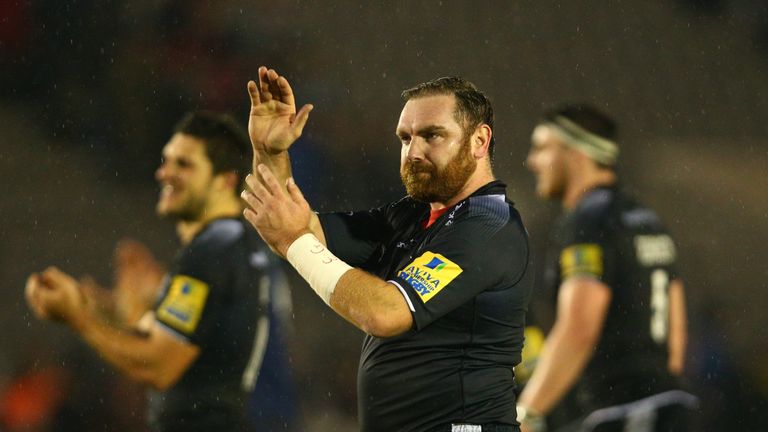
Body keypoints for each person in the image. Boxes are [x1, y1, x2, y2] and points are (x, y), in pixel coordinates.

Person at [240, 66, 534, 432]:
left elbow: (385, 313)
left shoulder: (488, 225)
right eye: (405, 138)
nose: (413, 152)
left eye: (432, 136)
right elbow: (298, 226)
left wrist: (293, 240)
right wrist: (270, 151)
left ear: (479, 141)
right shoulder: (413, 215)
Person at [25, 111, 296, 432]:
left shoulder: (209, 252)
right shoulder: (239, 243)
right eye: (166, 161)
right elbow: (192, 335)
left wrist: (77, 317)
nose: (164, 173)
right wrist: (104, 308)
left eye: (184, 165)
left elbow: (159, 366)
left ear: (224, 181)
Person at [517, 104, 698, 431]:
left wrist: (526, 414)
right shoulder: (647, 220)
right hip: (667, 406)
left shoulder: (587, 222)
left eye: (543, 148)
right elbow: (675, 341)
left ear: (575, 154)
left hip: (625, 411)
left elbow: (578, 329)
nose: (532, 160)